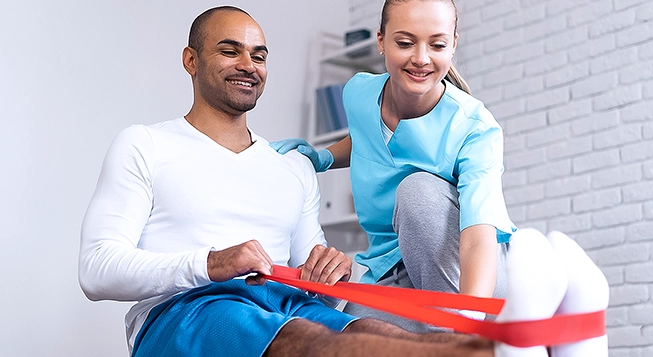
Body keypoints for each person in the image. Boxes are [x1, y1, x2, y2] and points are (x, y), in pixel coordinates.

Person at [78, 5, 503, 357]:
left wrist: (327, 269)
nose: (248, 65)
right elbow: (96, 270)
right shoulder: (145, 144)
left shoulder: (291, 166)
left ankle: (470, 346)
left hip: (287, 305)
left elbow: (312, 278)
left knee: (377, 334)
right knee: (309, 343)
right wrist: (210, 263)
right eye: (230, 51)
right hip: (187, 310)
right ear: (191, 60)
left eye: (258, 56)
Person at [271, 0, 515, 330]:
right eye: (404, 42)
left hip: (471, 272)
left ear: (454, 44)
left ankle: (456, 335)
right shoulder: (358, 92)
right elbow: (366, 135)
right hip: (392, 267)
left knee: (417, 190)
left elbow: (477, 237)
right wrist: (323, 158)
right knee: (344, 337)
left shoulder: (475, 128)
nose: (421, 58)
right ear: (381, 41)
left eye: (437, 44)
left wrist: (469, 320)